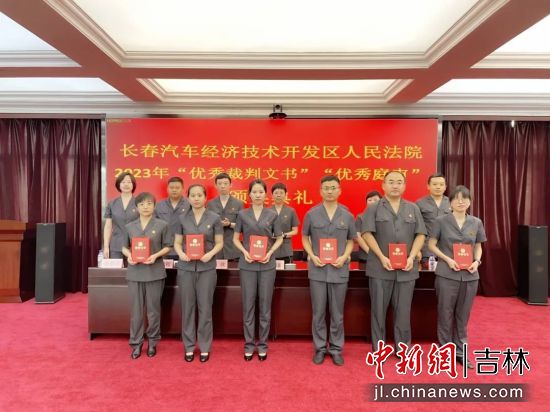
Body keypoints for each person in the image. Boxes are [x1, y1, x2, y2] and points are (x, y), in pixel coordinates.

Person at [361, 171, 427, 352]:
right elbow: (366, 233)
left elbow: (421, 234)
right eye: (391, 182)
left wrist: (412, 256)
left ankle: (403, 348)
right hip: (380, 268)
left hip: (406, 269)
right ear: (383, 185)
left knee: (403, 311)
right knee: (378, 310)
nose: (395, 185)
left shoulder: (413, 208)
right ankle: (379, 348)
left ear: (404, 186)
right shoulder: (374, 208)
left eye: (399, 182)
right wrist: (381, 257)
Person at [428, 185, 486, 369]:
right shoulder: (440, 221)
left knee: (463, 316)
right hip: (447, 274)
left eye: (465, 198)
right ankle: (445, 353)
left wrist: (477, 261)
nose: (461, 202)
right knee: (445, 314)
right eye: (457, 198)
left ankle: (461, 352)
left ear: (470, 201)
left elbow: (478, 246)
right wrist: (447, 259)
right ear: (450, 202)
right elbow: (431, 244)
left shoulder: (476, 222)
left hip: (470, 276)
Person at [302, 175, 356, 366]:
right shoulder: (311, 214)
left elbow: (351, 240)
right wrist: (312, 255)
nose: (330, 191)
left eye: (333, 187)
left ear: (339, 190)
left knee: (337, 313)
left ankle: (335, 349)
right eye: (326, 188)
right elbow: (304, 237)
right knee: (318, 312)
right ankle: (319, 348)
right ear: (320, 191)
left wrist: (344, 256)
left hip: (339, 269)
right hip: (318, 270)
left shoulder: (347, 215)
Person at [233, 179, 283, 361]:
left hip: (267, 265)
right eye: (254, 192)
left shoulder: (272, 215)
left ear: (265, 194)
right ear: (249, 195)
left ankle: (262, 345)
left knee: (265, 306)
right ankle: (248, 344)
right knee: (248, 305)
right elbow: (235, 239)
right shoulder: (242, 214)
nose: (257, 195)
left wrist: (270, 253)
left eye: (261, 192)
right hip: (247, 264)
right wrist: (245, 252)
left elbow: (279, 238)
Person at [173, 184, 223, 363]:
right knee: (187, 308)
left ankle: (204, 347)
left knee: (205, 308)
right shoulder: (181, 218)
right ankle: (188, 346)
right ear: (188, 198)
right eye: (193, 195)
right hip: (186, 268)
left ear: (205, 197)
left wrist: (210, 254)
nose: (196, 198)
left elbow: (219, 242)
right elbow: (177, 242)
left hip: (207, 268)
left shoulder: (214, 218)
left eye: (199, 195)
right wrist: (181, 254)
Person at [121, 192, 172, 359]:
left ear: (154, 206)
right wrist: (129, 255)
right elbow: (124, 247)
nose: (145, 207)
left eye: (149, 203)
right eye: (142, 204)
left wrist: (156, 256)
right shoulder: (129, 226)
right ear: (136, 207)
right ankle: (135, 343)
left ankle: (152, 342)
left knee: (153, 311)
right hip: (135, 273)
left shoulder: (162, 225)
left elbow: (168, 246)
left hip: (154, 272)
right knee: (136, 312)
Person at [207, 172, 244, 260]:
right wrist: (217, 224)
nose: (222, 186)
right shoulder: (210, 204)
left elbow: (242, 226)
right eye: (220, 184)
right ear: (216, 186)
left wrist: (229, 224)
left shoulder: (238, 203)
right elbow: (206, 225)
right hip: (215, 249)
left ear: (231, 185)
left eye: (225, 183)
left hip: (233, 248)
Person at [416, 173, 451, 263]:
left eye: (441, 184)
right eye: (435, 184)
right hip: (426, 250)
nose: (438, 187)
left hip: (447, 250)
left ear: (445, 187)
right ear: (428, 186)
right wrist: (417, 250)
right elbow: (415, 228)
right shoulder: (420, 203)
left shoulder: (452, 202)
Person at [103, 172, 139, 259]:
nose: (126, 184)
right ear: (118, 185)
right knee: (116, 268)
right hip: (116, 245)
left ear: (133, 185)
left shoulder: (139, 203)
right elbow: (108, 227)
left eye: (129, 182)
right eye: (123, 182)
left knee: (134, 267)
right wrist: (106, 247)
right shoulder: (112, 204)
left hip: (135, 245)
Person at [155, 176, 190, 258]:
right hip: (163, 248)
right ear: (167, 189)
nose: (174, 190)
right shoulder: (159, 205)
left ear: (182, 189)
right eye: (171, 187)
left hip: (184, 248)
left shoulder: (189, 205)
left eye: (177, 188)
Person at [270, 182, 300, 263]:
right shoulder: (266, 211)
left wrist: (284, 235)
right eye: (276, 193)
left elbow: (295, 231)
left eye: (281, 193)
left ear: (286, 195)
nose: (278, 195)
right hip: (270, 250)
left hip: (286, 250)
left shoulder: (291, 211)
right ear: (272, 195)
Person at [355, 191, 382, 261]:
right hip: (366, 256)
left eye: (375, 200)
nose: (372, 202)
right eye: (370, 200)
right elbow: (357, 236)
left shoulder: (386, 217)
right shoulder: (360, 217)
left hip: (385, 256)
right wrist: (369, 252)